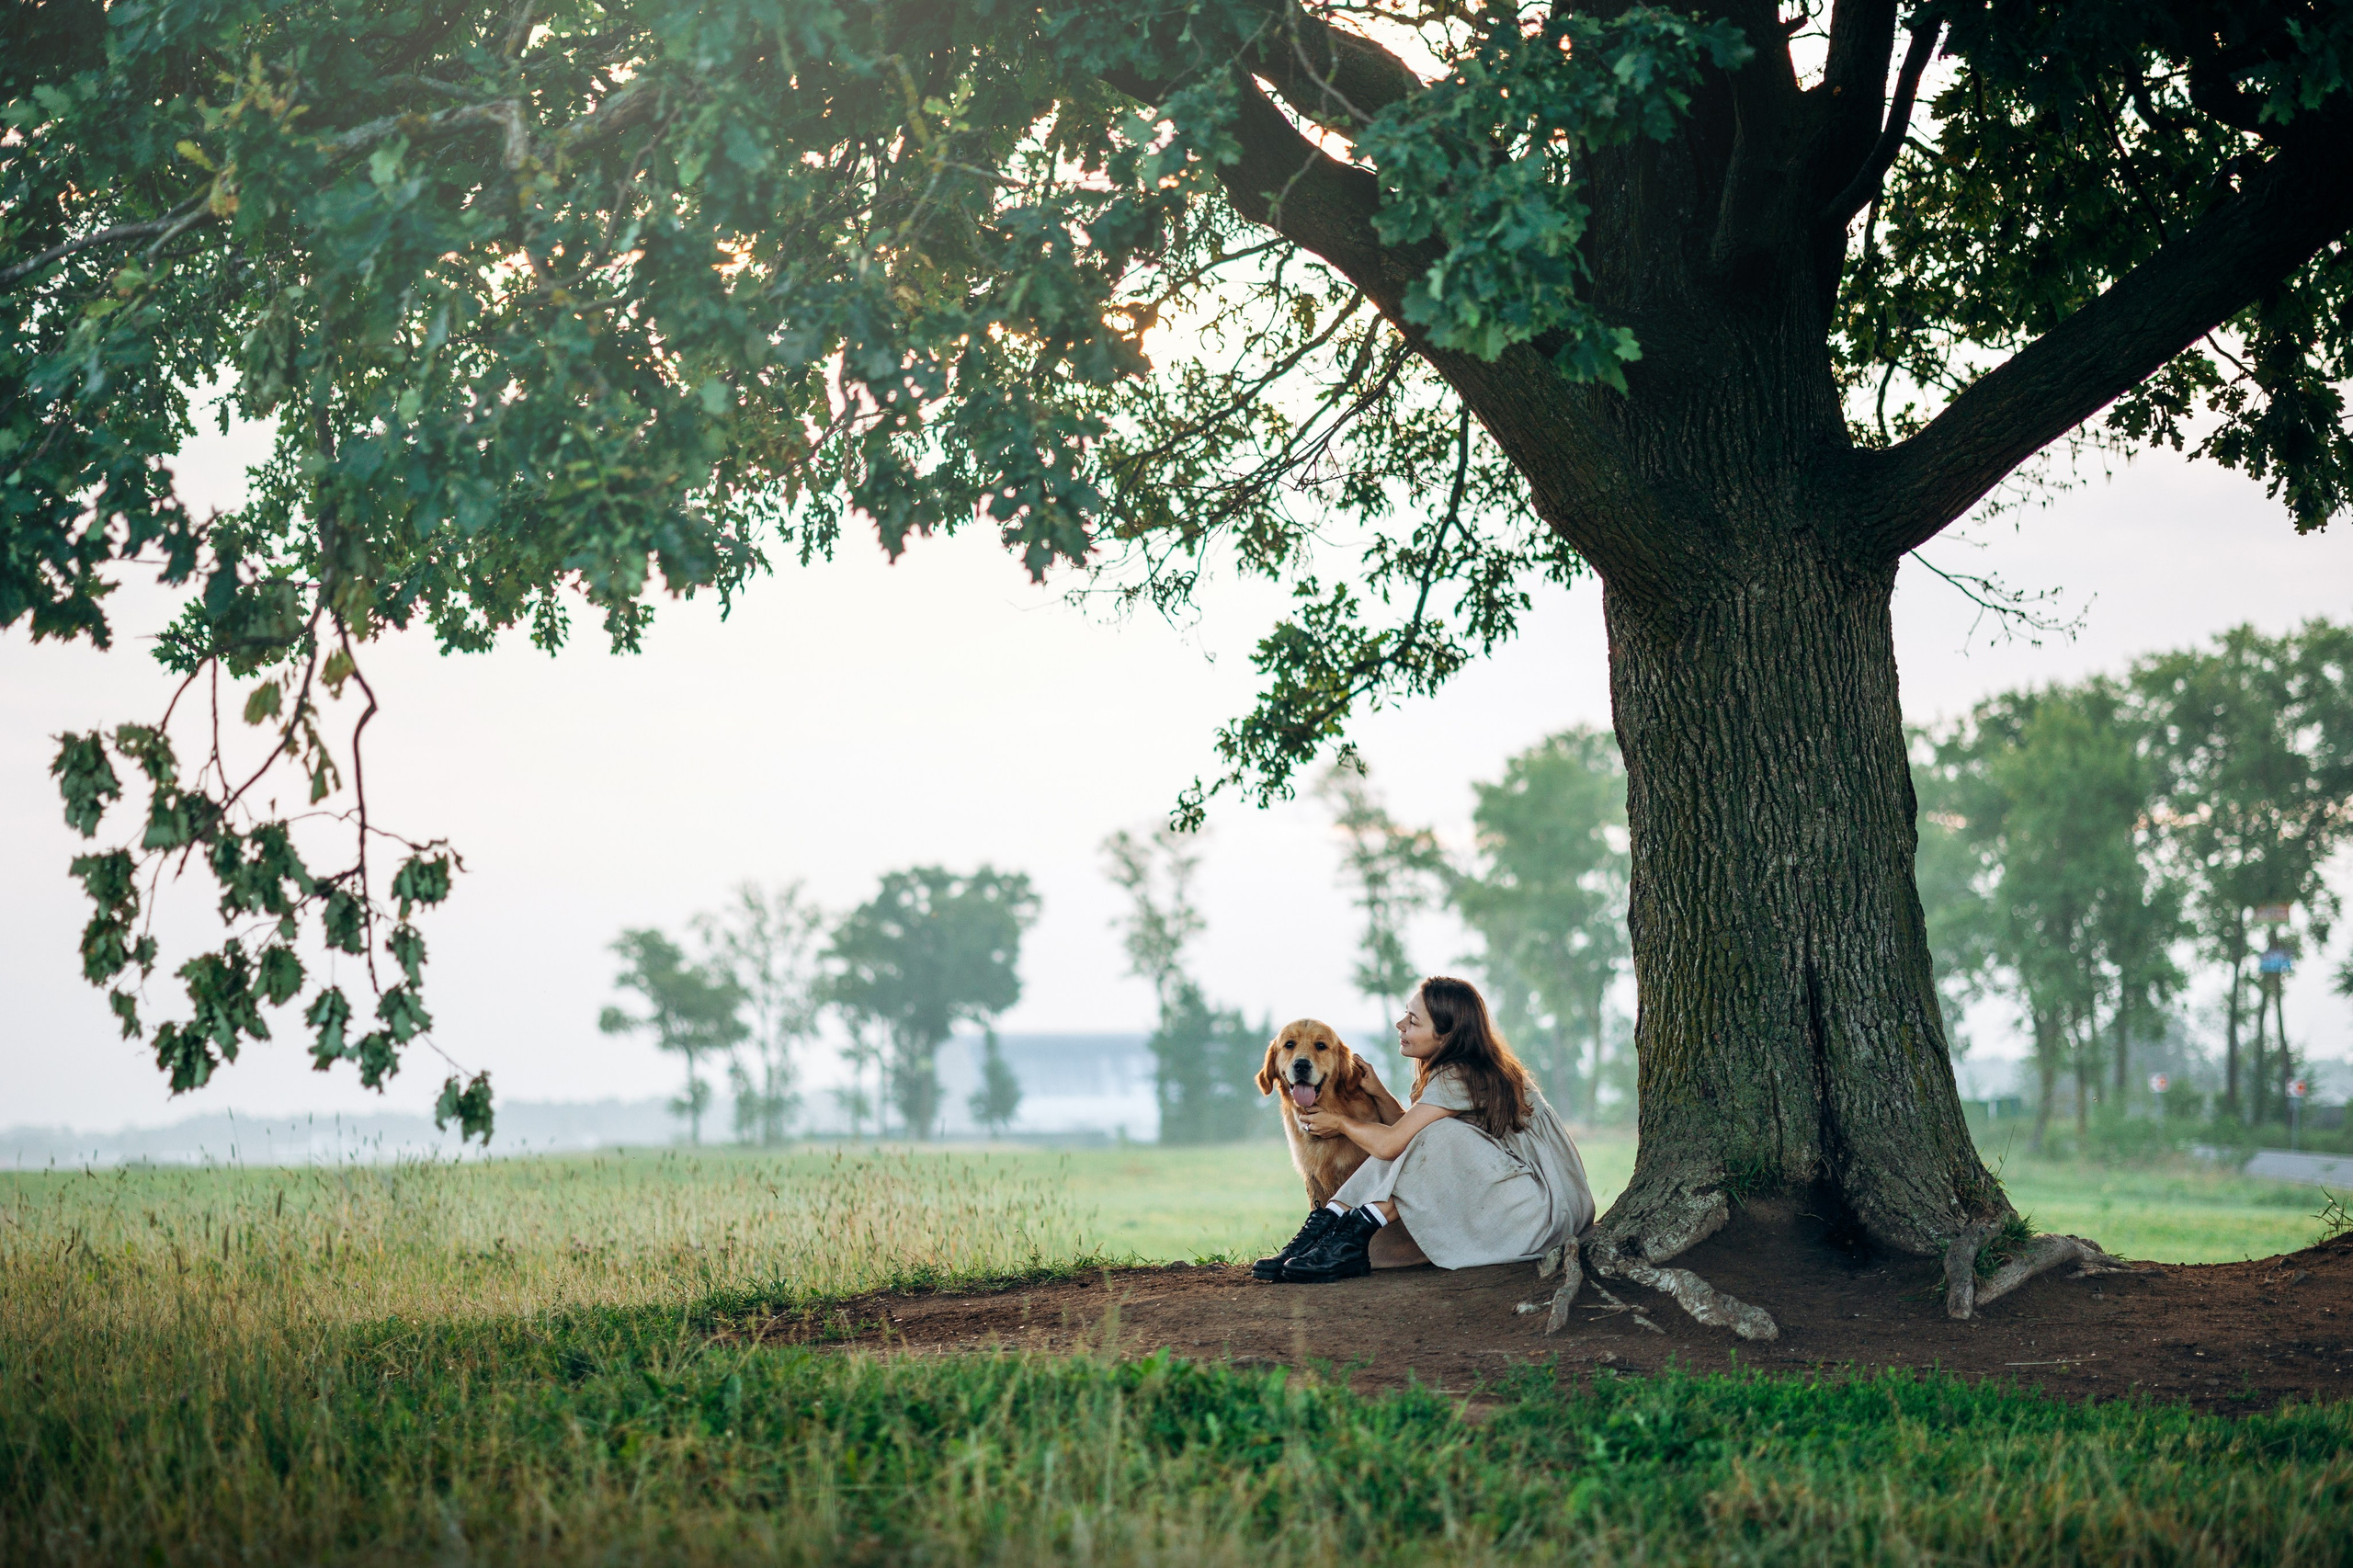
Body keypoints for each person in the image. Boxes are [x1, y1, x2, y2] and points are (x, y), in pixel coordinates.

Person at [1260, 975, 1597, 1284]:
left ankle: (1344, 1229)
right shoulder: (1458, 1070)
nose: (1400, 1024)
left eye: (1413, 1021)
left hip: (1545, 1214)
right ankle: (1330, 1225)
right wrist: (1379, 1092)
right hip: (1525, 1199)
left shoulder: (1461, 1074)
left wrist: (1342, 1123)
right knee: (1433, 1135)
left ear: (1446, 1035)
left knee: (1441, 1134)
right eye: (1406, 1015)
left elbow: (1396, 1143)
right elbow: (1409, 1136)